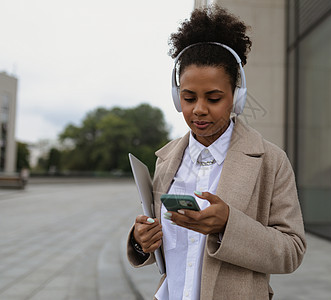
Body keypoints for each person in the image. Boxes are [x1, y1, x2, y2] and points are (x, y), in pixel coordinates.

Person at [127, 5, 306, 300]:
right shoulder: (166, 160)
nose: (198, 109)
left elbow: (292, 251)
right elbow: (166, 247)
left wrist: (228, 225)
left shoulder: (271, 161)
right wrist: (140, 240)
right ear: (176, 97)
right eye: (188, 97)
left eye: (213, 97)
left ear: (237, 97)